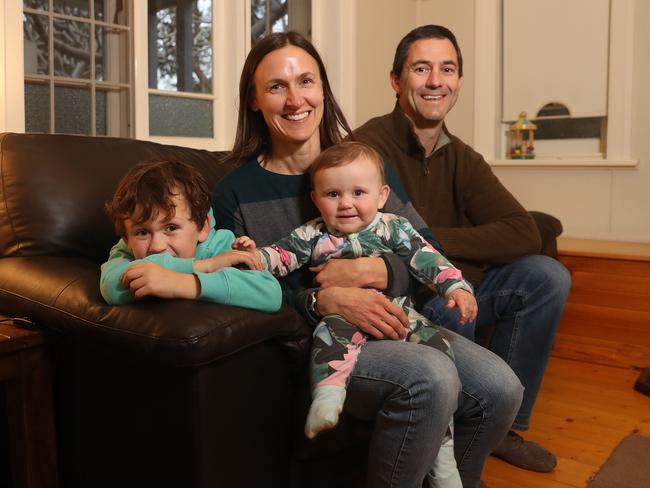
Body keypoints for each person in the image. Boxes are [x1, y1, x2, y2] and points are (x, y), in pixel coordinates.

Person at [212, 31, 522, 488]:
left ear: (323, 90)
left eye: (306, 81)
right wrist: (323, 300)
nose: (295, 98)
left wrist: (382, 270)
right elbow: (242, 285)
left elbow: (425, 247)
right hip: (318, 345)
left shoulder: (363, 165)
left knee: (501, 388)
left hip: (399, 321)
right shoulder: (234, 191)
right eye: (277, 86)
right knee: (432, 377)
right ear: (254, 100)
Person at [353, 24, 572, 474]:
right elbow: (376, 242)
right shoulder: (367, 149)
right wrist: (440, 253)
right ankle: (448, 445)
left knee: (546, 276)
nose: (436, 81)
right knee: (454, 302)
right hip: (408, 296)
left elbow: (522, 231)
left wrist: (431, 239)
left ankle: (505, 426)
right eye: (421, 68)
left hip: (451, 280)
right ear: (396, 80)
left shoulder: (460, 156)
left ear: (459, 82)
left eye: (447, 69)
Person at [236, 141, 477, 487]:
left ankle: (442, 451)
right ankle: (328, 395)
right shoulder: (312, 235)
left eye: (358, 193)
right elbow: (280, 256)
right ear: (317, 199)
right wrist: (253, 254)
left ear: (381, 196)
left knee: (442, 350)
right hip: (344, 318)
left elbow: (428, 260)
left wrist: (456, 287)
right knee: (328, 335)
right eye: (333, 194)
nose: (346, 203)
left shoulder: (394, 228)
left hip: (399, 317)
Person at [100, 159, 281, 313]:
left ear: (202, 227)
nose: (157, 246)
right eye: (142, 232)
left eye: (171, 227)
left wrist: (181, 283)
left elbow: (270, 293)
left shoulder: (221, 244)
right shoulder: (125, 247)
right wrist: (205, 266)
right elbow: (111, 288)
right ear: (126, 238)